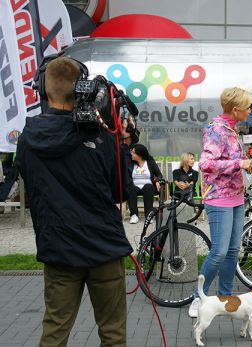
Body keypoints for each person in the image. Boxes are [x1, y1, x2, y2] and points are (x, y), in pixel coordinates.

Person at [16, 57, 133, 346]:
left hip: (59, 250)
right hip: (104, 248)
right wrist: (124, 147)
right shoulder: (103, 137)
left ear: (43, 90)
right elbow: (121, 193)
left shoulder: (28, 139)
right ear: (84, 90)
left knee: (55, 331)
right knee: (113, 335)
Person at [189, 87, 252, 318]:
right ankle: (198, 298)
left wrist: (245, 157)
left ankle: (225, 296)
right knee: (219, 251)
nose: (250, 111)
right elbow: (206, 164)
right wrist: (239, 164)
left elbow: (227, 159)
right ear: (236, 109)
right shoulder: (216, 129)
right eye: (247, 107)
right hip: (219, 198)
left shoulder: (231, 129)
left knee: (232, 251)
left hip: (236, 196)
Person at [127, 143, 163, 224]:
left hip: (148, 187)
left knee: (148, 187)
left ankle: (148, 215)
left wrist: (157, 181)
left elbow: (159, 175)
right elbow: (126, 176)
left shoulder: (150, 162)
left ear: (139, 154)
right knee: (130, 188)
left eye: (133, 152)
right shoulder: (130, 163)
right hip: (135, 186)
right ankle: (134, 215)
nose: (131, 154)